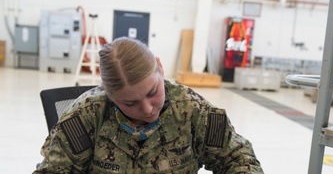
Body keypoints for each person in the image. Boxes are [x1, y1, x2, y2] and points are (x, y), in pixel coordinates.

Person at [34, 37, 264, 173]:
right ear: (108, 93)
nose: (146, 109)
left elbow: (238, 158)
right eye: (130, 102)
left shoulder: (193, 111)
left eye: (153, 92)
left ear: (160, 67)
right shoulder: (86, 116)